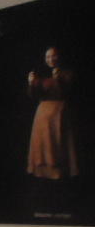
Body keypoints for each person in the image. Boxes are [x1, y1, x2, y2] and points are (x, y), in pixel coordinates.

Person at [27, 47, 78, 180]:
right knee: (42, 145)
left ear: (59, 56)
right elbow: (34, 95)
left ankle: (59, 173)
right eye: (48, 57)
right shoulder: (40, 74)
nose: (51, 59)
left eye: (53, 56)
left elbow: (66, 92)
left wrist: (58, 78)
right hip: (42, 114)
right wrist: (31, 83)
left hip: (59, 113)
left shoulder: (67, 73)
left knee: (58, 144)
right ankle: (42, 172)